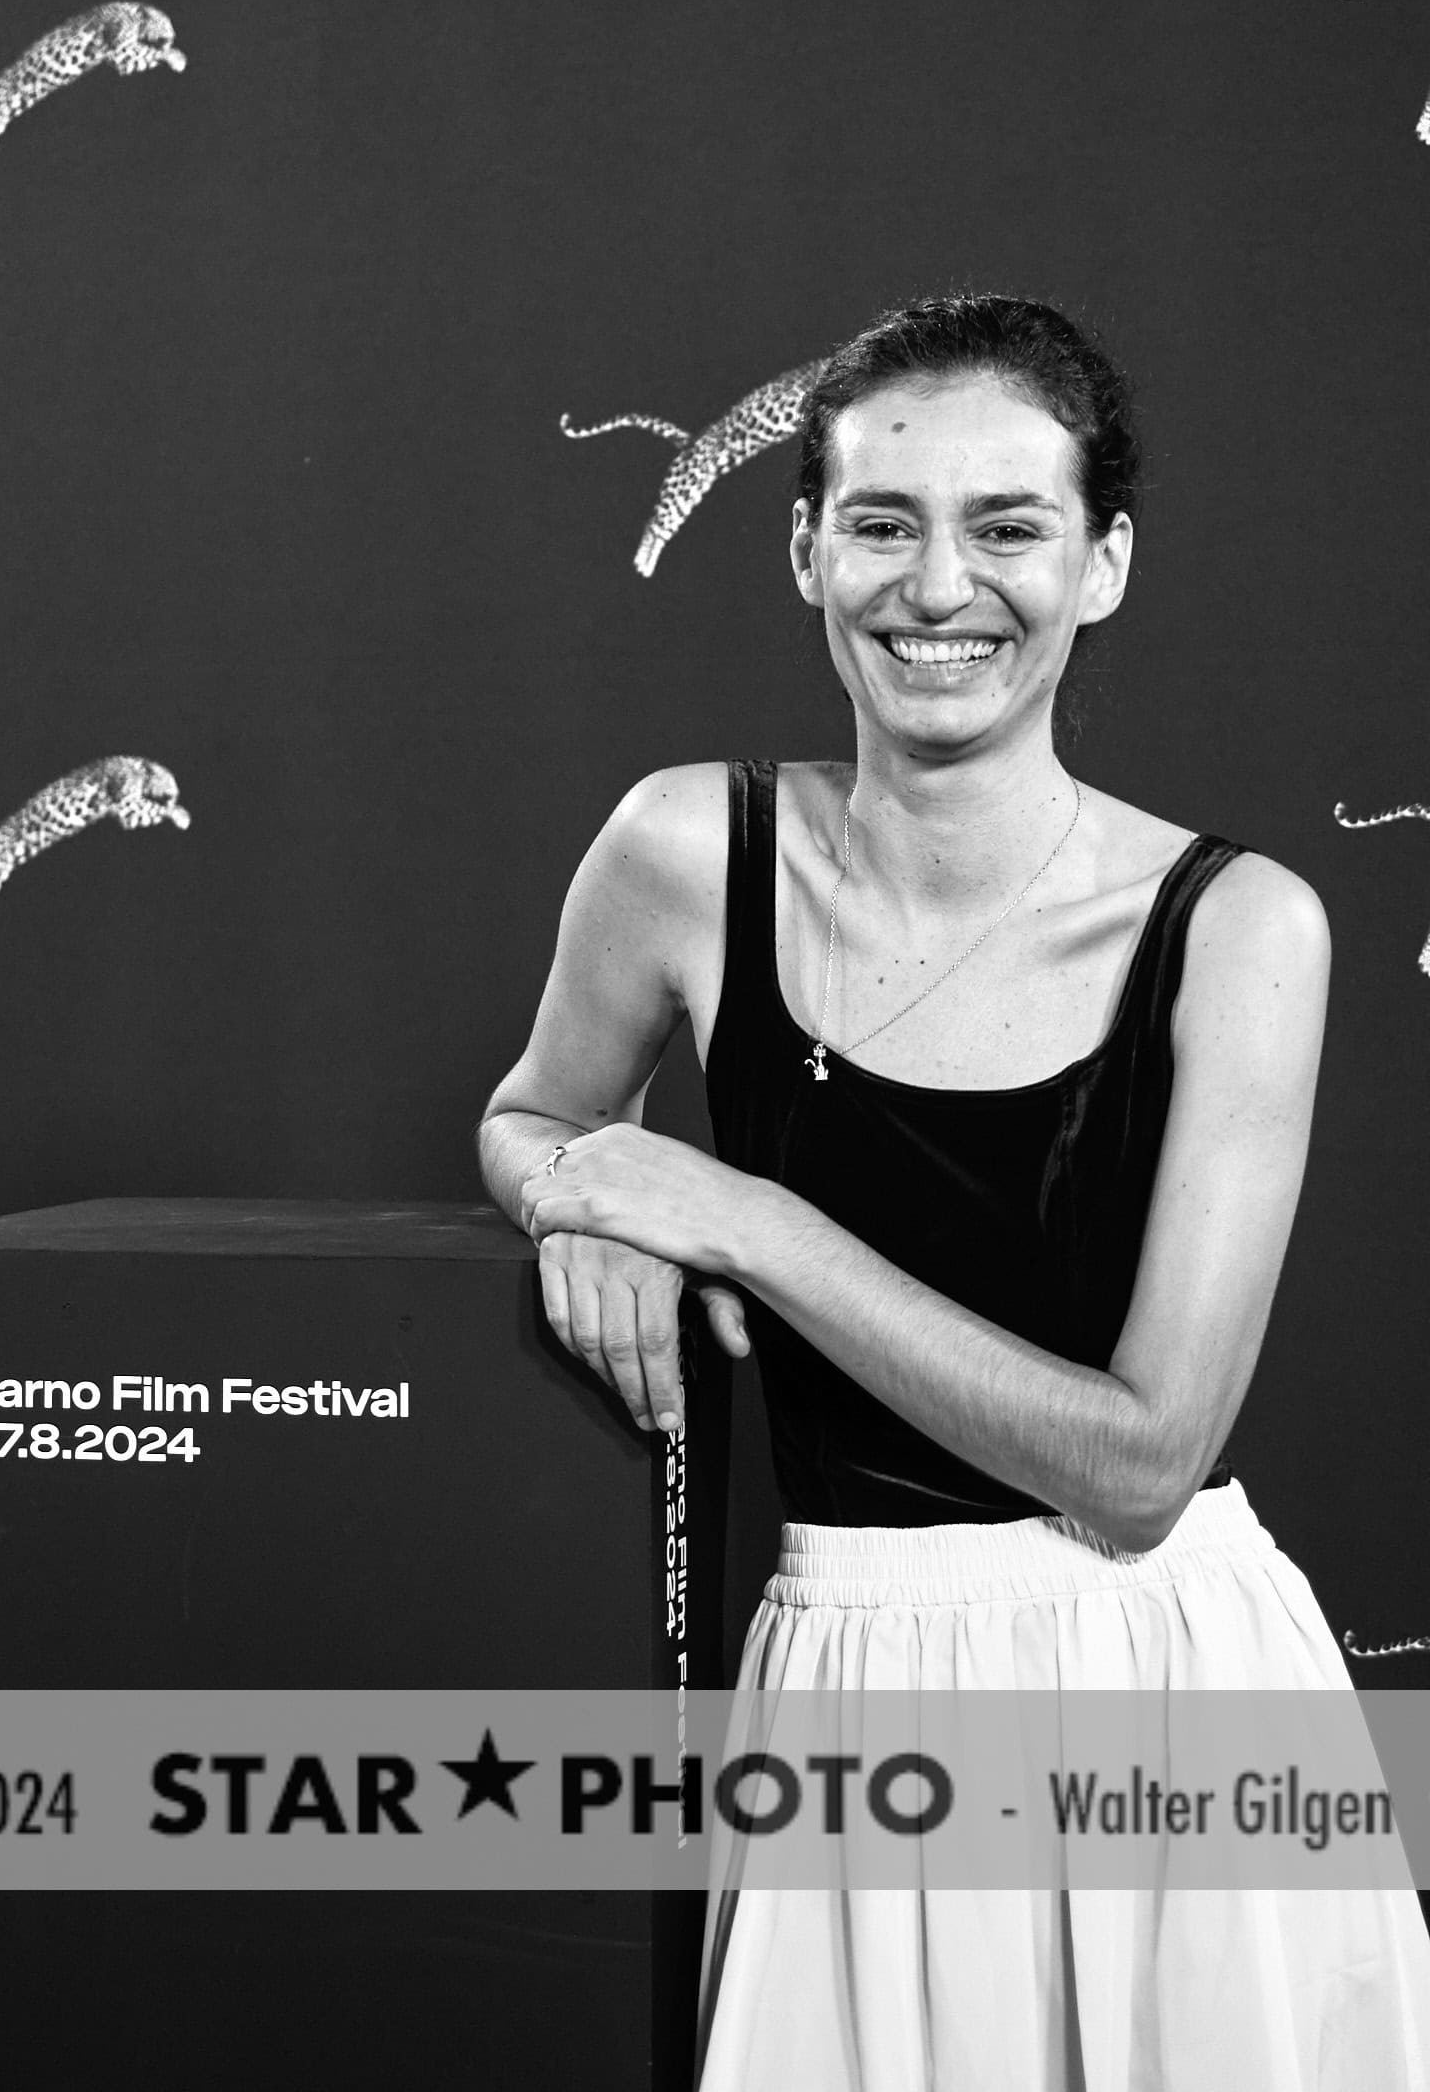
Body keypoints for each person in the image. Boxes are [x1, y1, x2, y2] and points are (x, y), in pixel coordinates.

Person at [477, 293, 1430, 2090]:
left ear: (1106, 565)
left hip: (1175, 1694)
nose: (940, 588)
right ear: (805, 548)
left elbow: (1141, 1465)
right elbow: (534, 1116)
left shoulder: (1240, 927)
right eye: (883, 522)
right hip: (851, 1669)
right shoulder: (687, 848)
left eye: (1010, 528)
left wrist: (741, 1219)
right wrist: (579, 1205)